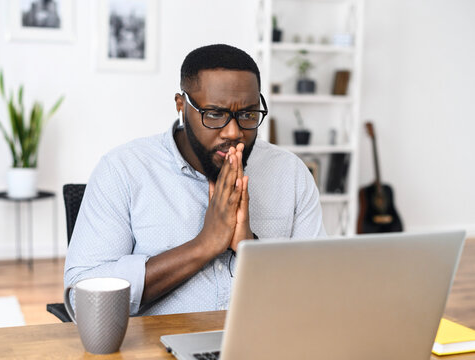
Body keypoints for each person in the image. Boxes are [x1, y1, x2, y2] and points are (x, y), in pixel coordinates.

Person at [64, 44, 326, 316]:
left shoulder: (291, 173)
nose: (233, 132)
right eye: (214, 114)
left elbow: (320, 289)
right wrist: (204, 246)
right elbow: (84, 297)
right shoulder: (123, 170)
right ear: (181, 106)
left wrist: (250, 250)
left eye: (247, 115)